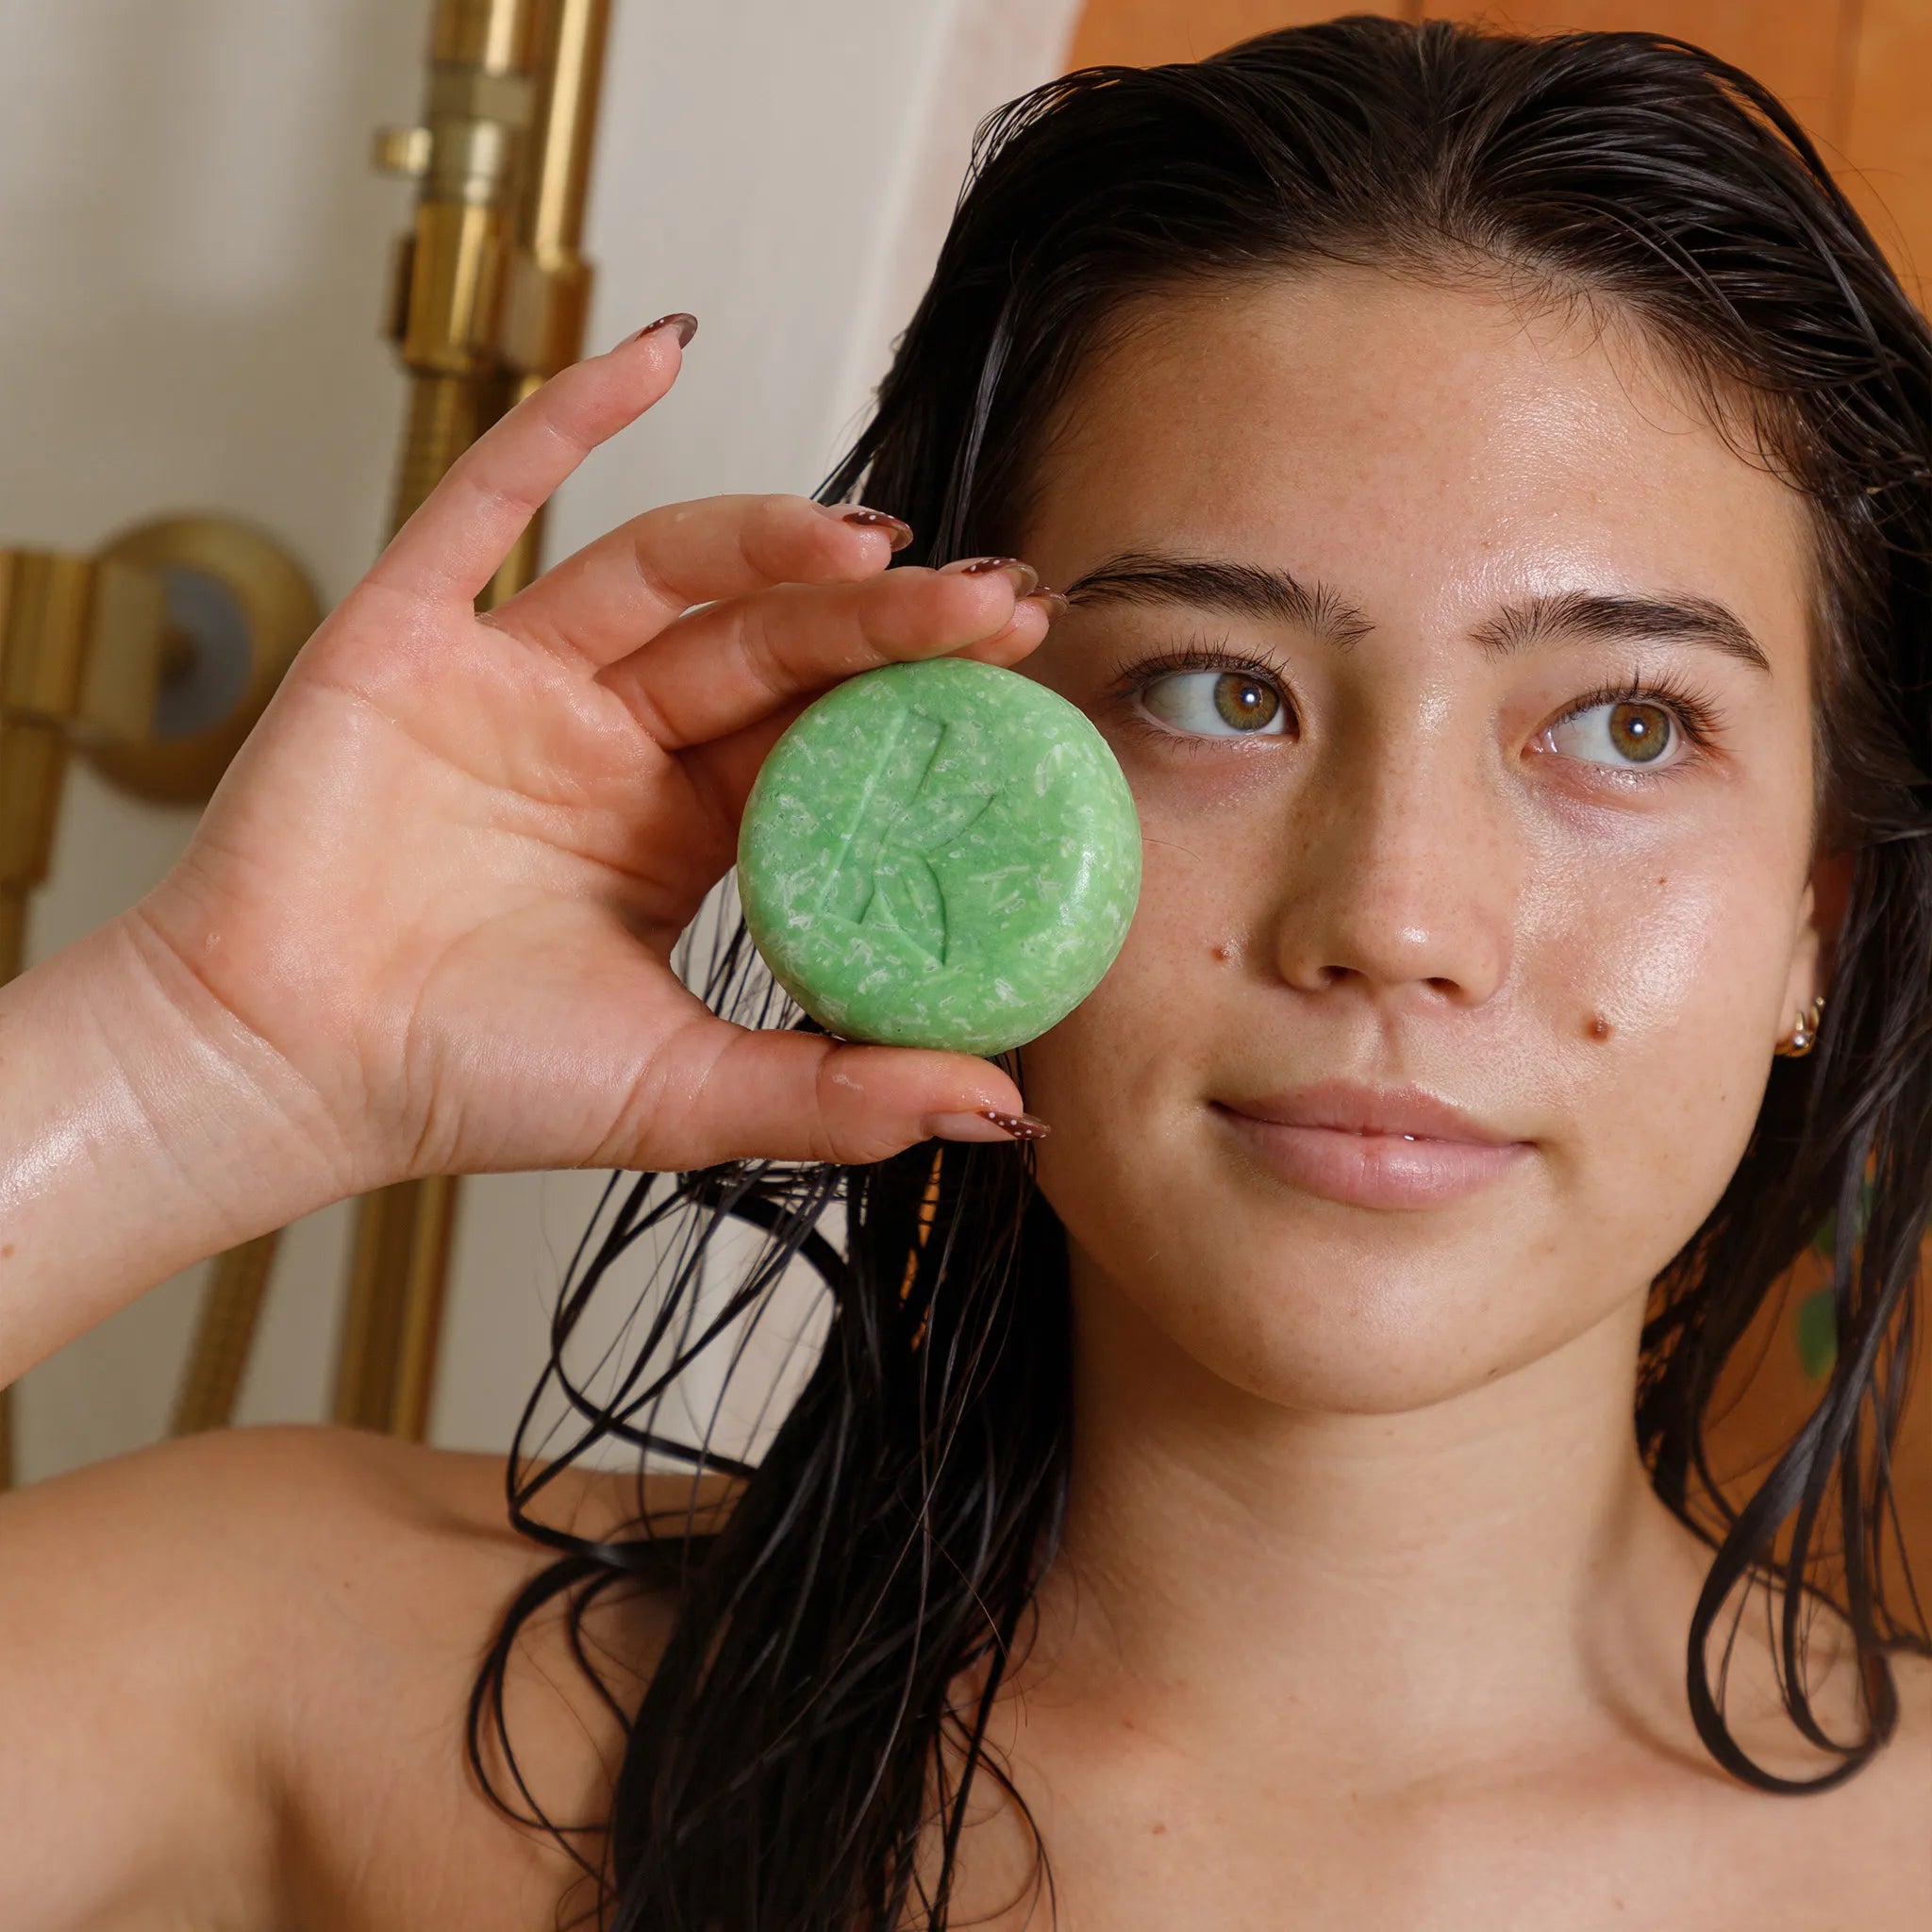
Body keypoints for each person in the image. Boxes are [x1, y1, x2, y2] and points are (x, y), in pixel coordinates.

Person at [3, 14, 1929, 1928]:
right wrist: (199, 1067)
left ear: (1813, 922)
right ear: (938, 783)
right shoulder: (310, 1670)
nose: (1396, 921)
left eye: (1624, 728)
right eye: (1215, 692)